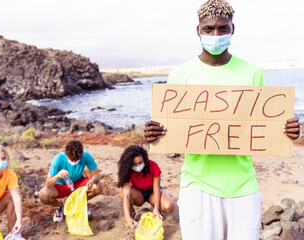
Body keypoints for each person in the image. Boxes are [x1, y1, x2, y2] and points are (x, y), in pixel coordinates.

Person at [144, 0, 301, 239]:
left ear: (232, 30)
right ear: (198, 30)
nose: (215, 34)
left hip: (243, 187)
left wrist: (288, 130)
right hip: (197, 187)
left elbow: (266, 126)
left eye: (222, 28)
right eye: (209, 29)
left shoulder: (252, 73)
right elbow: (170, 126)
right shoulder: (181, 75)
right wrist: (154, 132)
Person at [39, 140, 103, 222]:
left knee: (98, 186)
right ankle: (59, 206)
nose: (74, 163)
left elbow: (97, 175)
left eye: (77, 161)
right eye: (71, 160)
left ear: (81, 155)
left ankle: (80, 203)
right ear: (66, 154)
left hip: (78, 183)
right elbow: (48, 184)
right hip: (61, 186)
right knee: (43, 195)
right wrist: (57, 176)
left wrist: (92, 181)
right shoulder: (58, 158)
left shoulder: (86, 156)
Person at [117, 145, 174, 229]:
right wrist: (127, 217)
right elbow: (125, 195)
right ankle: (132, 214)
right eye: (134, 164)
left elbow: (156, 189)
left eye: (140, 162)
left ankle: (156, 210)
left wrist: (156, 208)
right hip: (138, 193)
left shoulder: (153, 166)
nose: (138, 166)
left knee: (168, 206)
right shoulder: (127, 170)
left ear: (144, 159)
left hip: (152, 192)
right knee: (125, 194)